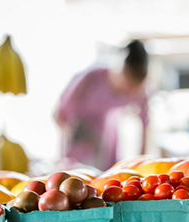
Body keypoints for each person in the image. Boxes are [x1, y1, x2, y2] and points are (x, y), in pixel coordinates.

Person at [54, 40, 150, 171]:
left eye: (133, 87)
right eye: (125, 83)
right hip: (78, 132)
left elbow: (145, 126)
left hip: (107, 136)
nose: (128, 91)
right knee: (78, 176)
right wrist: (72, 136)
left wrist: (141, 165)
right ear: (118, 71)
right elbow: (59, 114)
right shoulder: (90, 77)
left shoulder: (140, 90)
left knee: (106, 177)